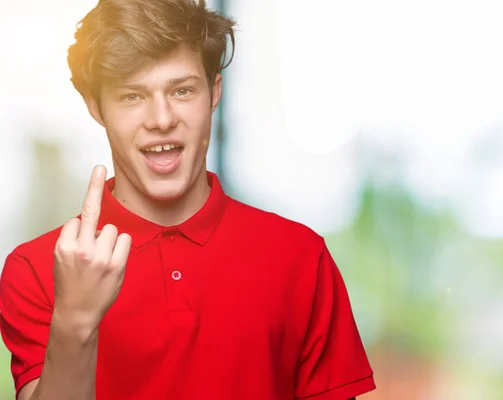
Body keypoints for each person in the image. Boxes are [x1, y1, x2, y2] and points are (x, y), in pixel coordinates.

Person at [0, 0, 376, 399]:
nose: (161, 119)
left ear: (214, 92)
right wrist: (75, 320)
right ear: (96, 107)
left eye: (182, 90)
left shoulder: (300, 257)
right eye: (132, 96)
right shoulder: (37, 269)